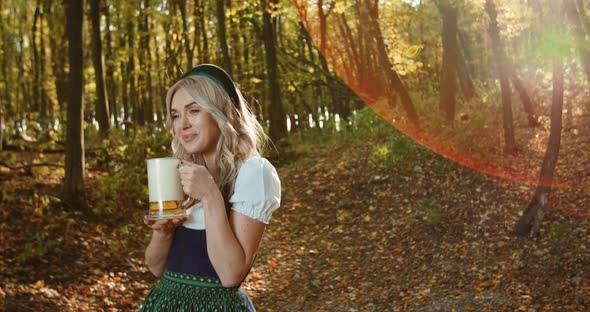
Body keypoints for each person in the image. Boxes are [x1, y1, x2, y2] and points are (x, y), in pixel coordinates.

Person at [140, 64, 281, 311]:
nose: (181, 124)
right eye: (175, 115)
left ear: (221, 114)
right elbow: (155, 268)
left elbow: (230, 274)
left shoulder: (253, 172)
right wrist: (162, 234)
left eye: (193, 110)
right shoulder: (183, 175)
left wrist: (210, 195)